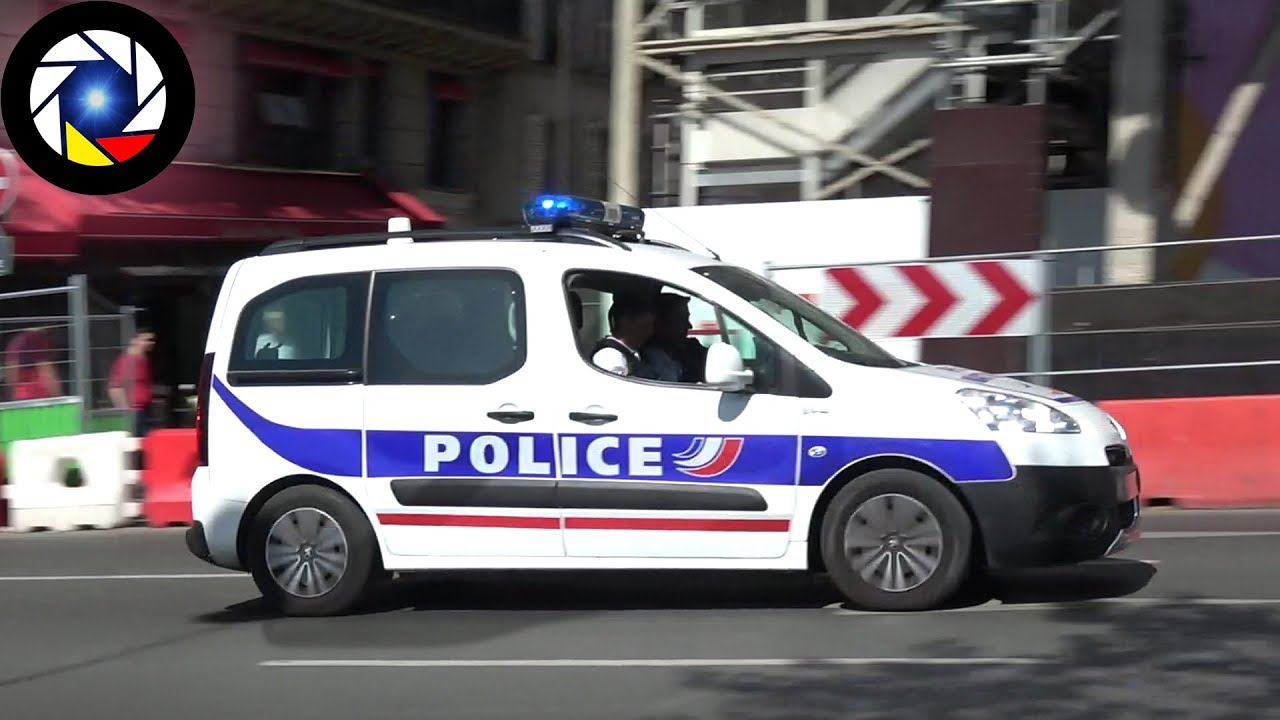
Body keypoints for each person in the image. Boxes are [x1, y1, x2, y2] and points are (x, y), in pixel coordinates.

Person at [590, 294, 657, 379]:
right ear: (625, 323)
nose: (650, 332)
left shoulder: (634, 354)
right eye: (645, 326)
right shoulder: (610, 357)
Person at [109, 327, 156, 438]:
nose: (150, 343)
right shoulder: (127, 361)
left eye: (152, 340)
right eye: (146, 340)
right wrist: (125, 410)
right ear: (134, 340)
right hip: (135, 412)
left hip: (145, 410)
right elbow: (115, 387)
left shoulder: (144, 360)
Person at [4, 325, 61, 401]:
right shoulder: (37, 338)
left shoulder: (16, 340)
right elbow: (46, 371)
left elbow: (11, 373)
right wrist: (59, 397)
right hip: (37, 395)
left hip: (20, 394)